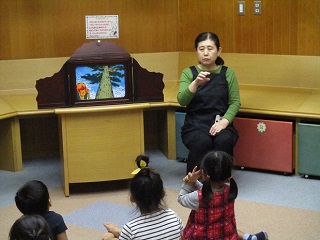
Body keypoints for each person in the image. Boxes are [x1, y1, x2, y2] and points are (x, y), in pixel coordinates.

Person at [177, 31, 240, 174]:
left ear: (219, 51)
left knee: (224, 141)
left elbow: (235, 102)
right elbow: (182, 100)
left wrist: (224, 122)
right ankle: (193, 183)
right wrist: (195, 83)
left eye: (210, 49)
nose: (206, 53)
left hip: (221, 123)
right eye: (201, 49)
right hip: (195, 125)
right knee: (201, 141)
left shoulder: (228, 73)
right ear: (196, 51)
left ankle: (223, 183)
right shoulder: (189, 72)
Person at [178, 150, 268, 240]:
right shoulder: (230, 190)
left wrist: (189, 183)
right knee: (226, 225)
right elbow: (208, 191)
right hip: (227, 236)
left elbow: (181, 198)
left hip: (202, 236)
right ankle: (250, 238)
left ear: (204, 174)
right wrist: (194, 182)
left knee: (182, 233)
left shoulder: (198, 197)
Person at [102, 155, 184, 240]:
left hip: (129, 234)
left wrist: (109, 237)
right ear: (163, 193)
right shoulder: (173, 216)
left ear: (132, 198)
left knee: (107, 237)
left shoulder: (131, 228)